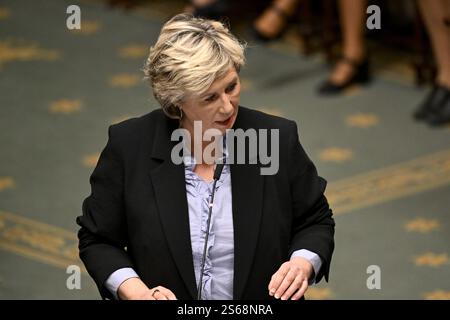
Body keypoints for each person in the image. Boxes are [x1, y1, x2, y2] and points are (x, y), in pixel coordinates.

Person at [76, 13, 335, 300]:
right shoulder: (130, 145)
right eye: (210, 98)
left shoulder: (275, 138)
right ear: (176, 101)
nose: (227, 107)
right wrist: (136, 293)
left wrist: (302, 263)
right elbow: (98, 240)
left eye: (231, 87)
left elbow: (315, 220)